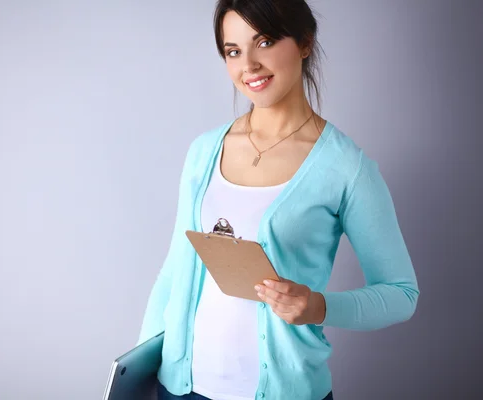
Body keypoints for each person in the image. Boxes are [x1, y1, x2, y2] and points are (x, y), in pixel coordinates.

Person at [137, 1, 420, 399]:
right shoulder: (204, 151)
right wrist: (137, 372)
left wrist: (318, 306)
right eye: (233, 50)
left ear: (305, 42)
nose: (248, 64)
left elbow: (401, 295)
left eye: (265, 41)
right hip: (180, 390)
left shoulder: (345, 167)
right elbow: (175, 272)